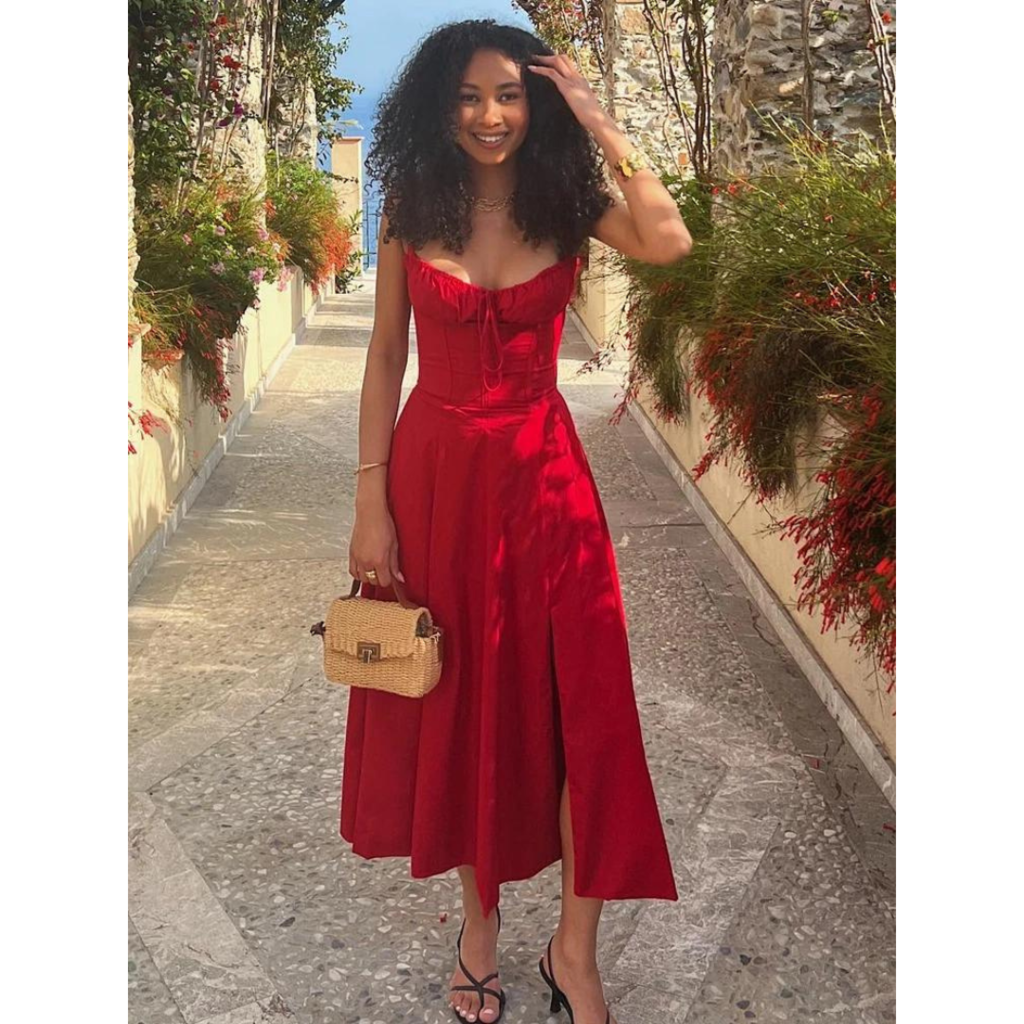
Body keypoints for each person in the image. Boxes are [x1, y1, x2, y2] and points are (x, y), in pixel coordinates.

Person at [342, 19, 693, 1024]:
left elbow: (669, 240)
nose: (489, 115)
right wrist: (370, 501)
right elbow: (384, 355)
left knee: (587, 711)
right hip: (436, 482)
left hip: (547, 485)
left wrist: (600, 120)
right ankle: (479, 928)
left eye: (508, 95)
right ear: (438, 106)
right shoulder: (413, 204)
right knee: (463, 707)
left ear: (536, 106)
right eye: (468, 96)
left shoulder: (567, 202)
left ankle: (573, 952)